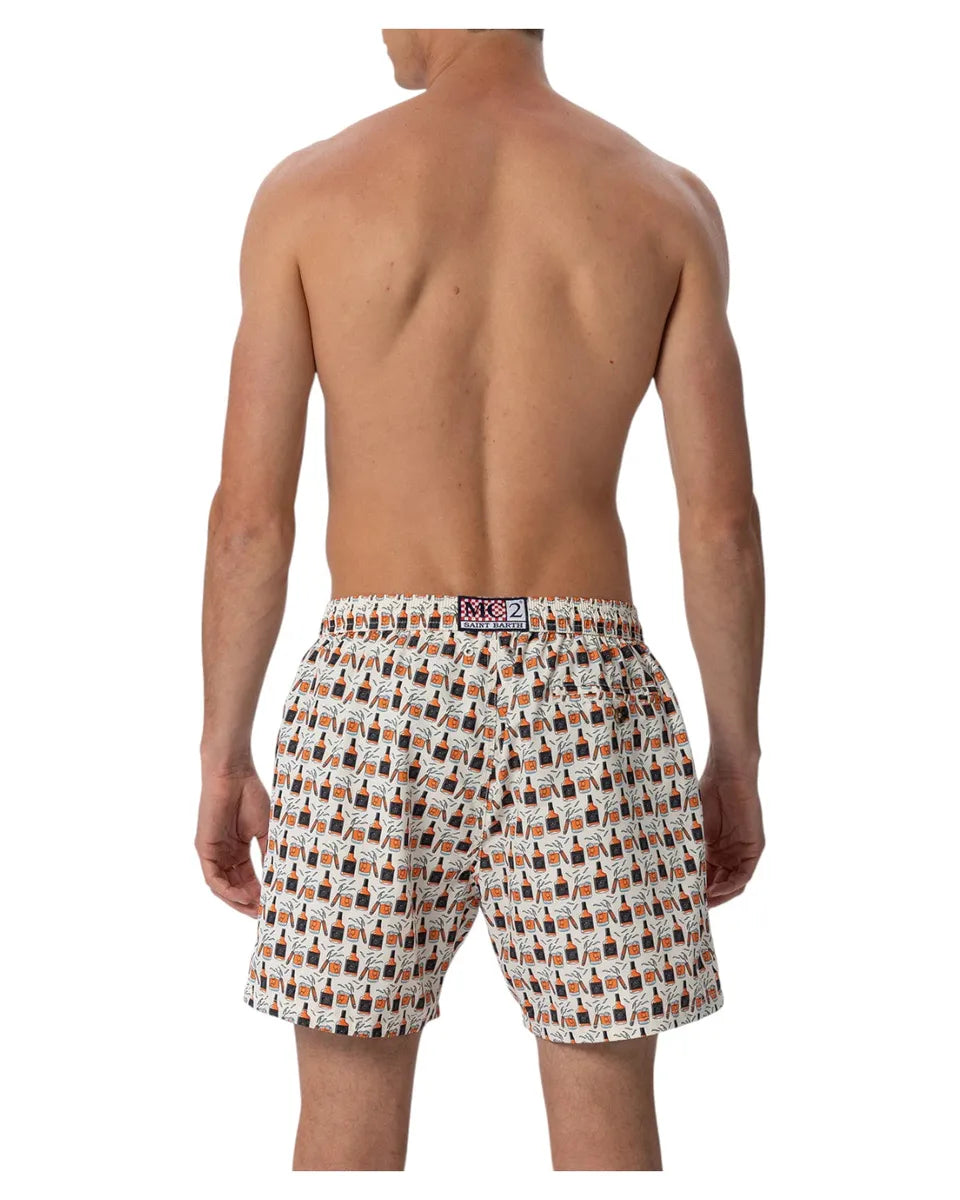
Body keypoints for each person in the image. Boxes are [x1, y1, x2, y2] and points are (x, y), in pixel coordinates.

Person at [197, 27, 765, 1171]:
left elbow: (252, 522)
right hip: (588, 692)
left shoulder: (311, 193)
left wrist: (223, 753)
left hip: (375, 691)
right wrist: (736, 753)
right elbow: (721, 523)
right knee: (609, 1125)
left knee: (346, 1121)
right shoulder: (665, 202)